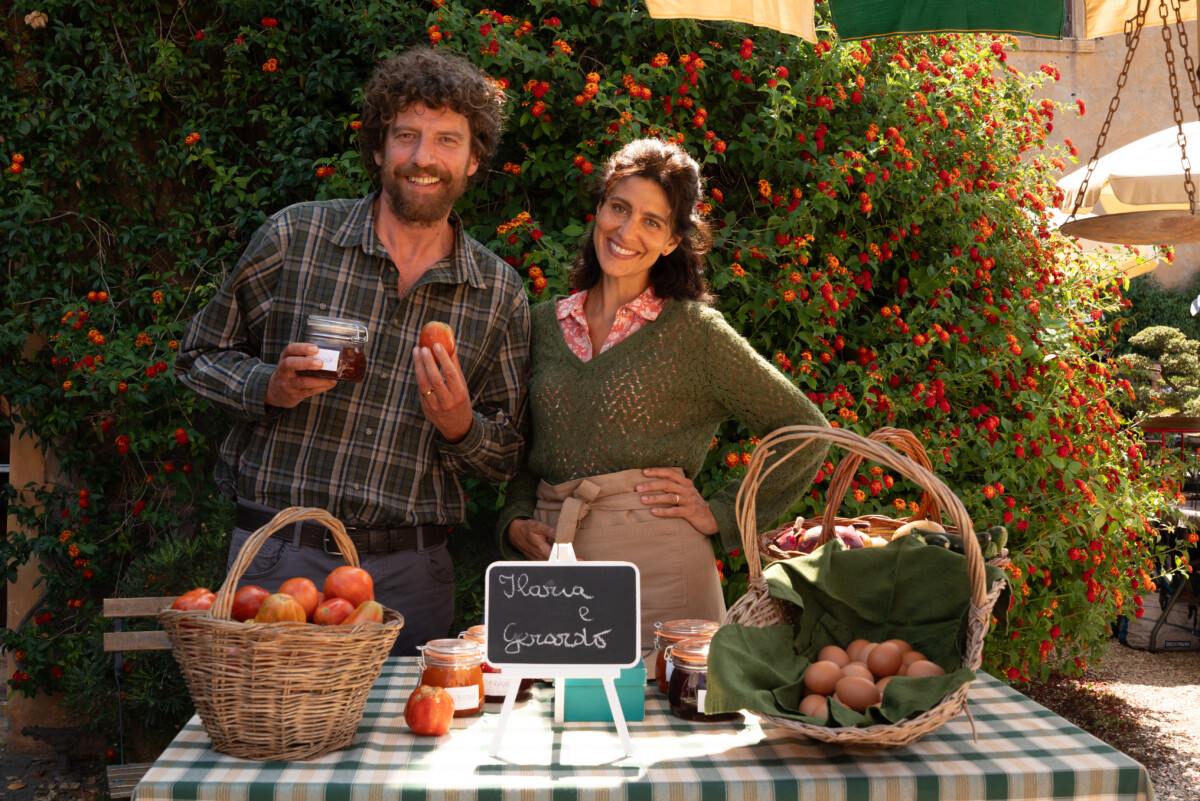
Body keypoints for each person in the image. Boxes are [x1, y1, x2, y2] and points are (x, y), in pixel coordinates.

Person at [175, 48, 530, 655]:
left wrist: (461, 426)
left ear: (474, 160)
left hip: (412, 575)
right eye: (406, 136)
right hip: (279, 561)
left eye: (447, 140)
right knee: (269, 730)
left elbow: (508, 453)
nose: (423, 158)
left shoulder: (498, 293)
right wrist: (269, 386)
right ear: (377, 148)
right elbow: (197, 357)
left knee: (403, 745)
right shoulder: (296, 238)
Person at [497, 138, 829, 658]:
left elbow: (802, 430)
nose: (627, 232)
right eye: (619, 208)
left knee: (672, 730)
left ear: (674, 241)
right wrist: (516, 517)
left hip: (661, 572)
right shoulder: (541, 325)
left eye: (652, 222)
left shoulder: (693, 333)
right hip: (551, 566)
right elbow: (524, 445)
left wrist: (722, 511)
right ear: (600, 208)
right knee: (549, 725)